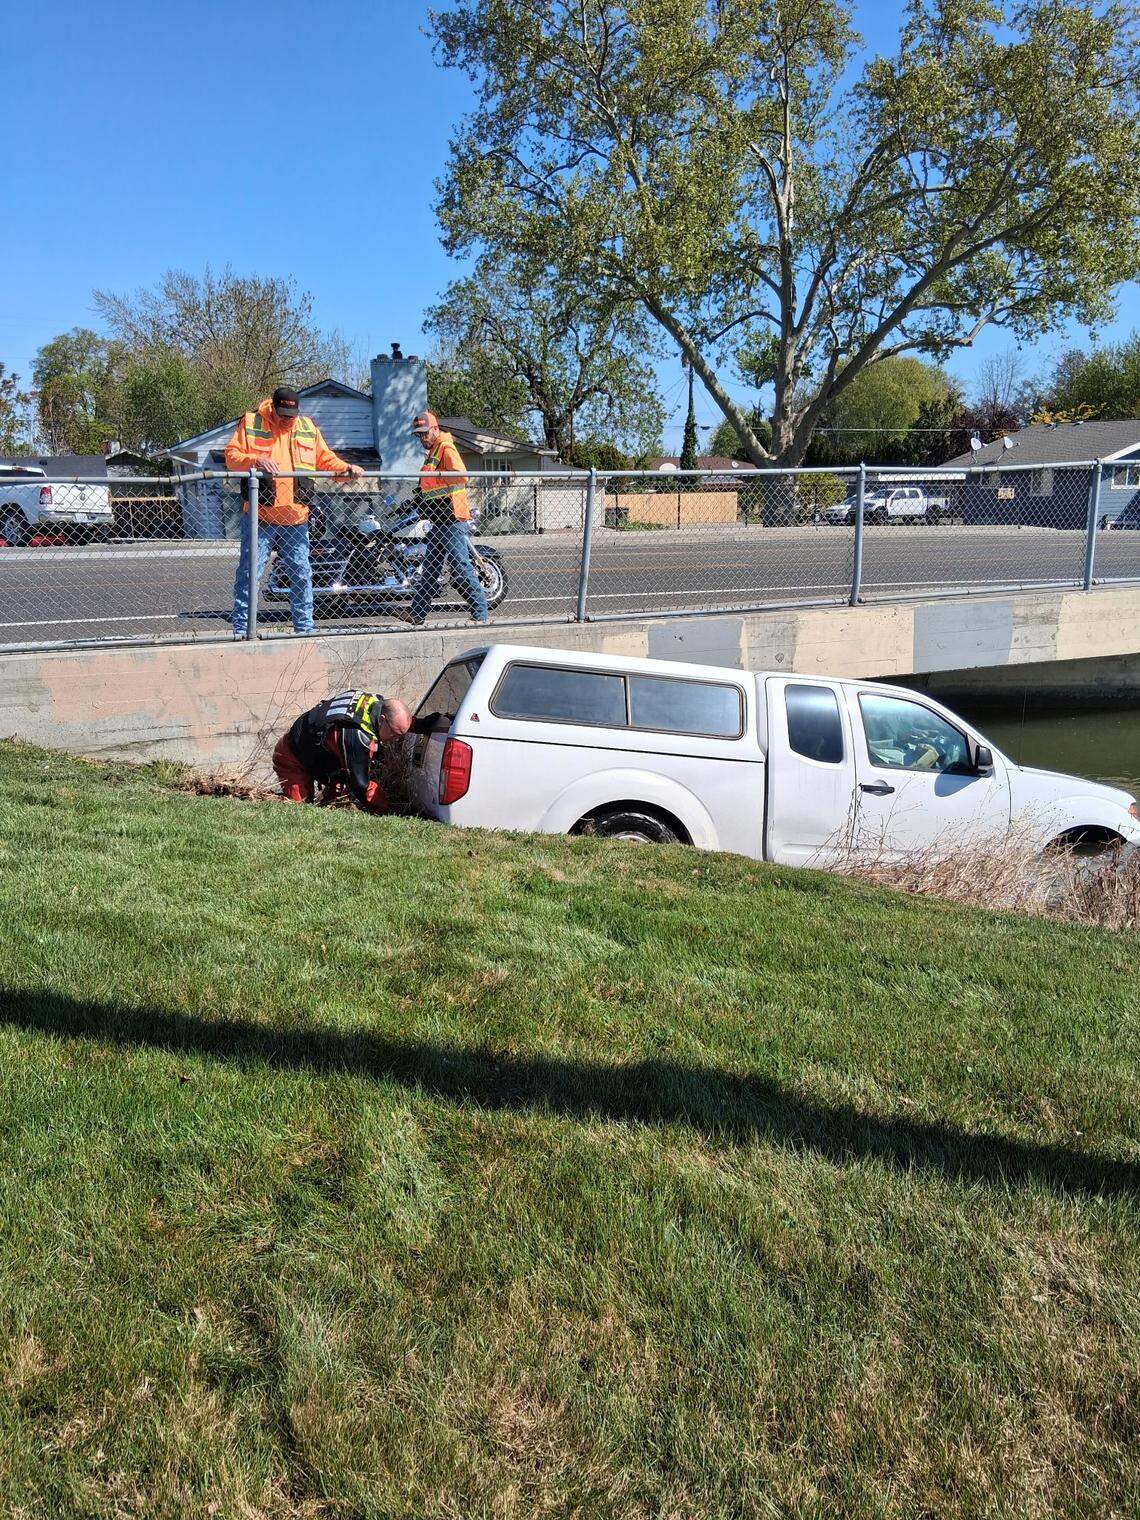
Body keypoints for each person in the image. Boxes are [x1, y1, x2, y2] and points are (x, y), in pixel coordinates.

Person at [225, 387, 363, 636]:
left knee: (301, 575)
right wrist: (255, 460)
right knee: (249, 574)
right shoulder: (251, 422)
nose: (288, 419)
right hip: (261, 517)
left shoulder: (307, 427)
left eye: (292, 414)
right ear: (274, 408)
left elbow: (326, 460)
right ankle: (242, 629)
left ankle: (304, 628)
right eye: (283, 414)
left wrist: (347, 468)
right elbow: (232, 456)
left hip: (296, 518)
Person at [403, 411, 489, 625]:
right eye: (418, 435)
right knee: (430, 571)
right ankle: (417, 614)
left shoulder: (445, 447)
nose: (422, 438)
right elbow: (431, 486)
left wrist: (440, 477)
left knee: (460, 568)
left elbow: (461, 475)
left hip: (451, 518)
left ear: (434, 429)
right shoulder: (433, 451)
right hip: (439, 519)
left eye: (424, 433)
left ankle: (481, 614)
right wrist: (419, 498)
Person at [272, 691, 413, 811]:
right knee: (301, 809)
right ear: (382, 720)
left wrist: (423, 725)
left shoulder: (374, 702)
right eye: (395, 734)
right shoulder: (358, 736)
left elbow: (398, 723)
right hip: (293, 757)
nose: (396, 739)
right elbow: (360, 785)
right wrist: (386, 809)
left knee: (335, 801)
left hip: (320, 751)